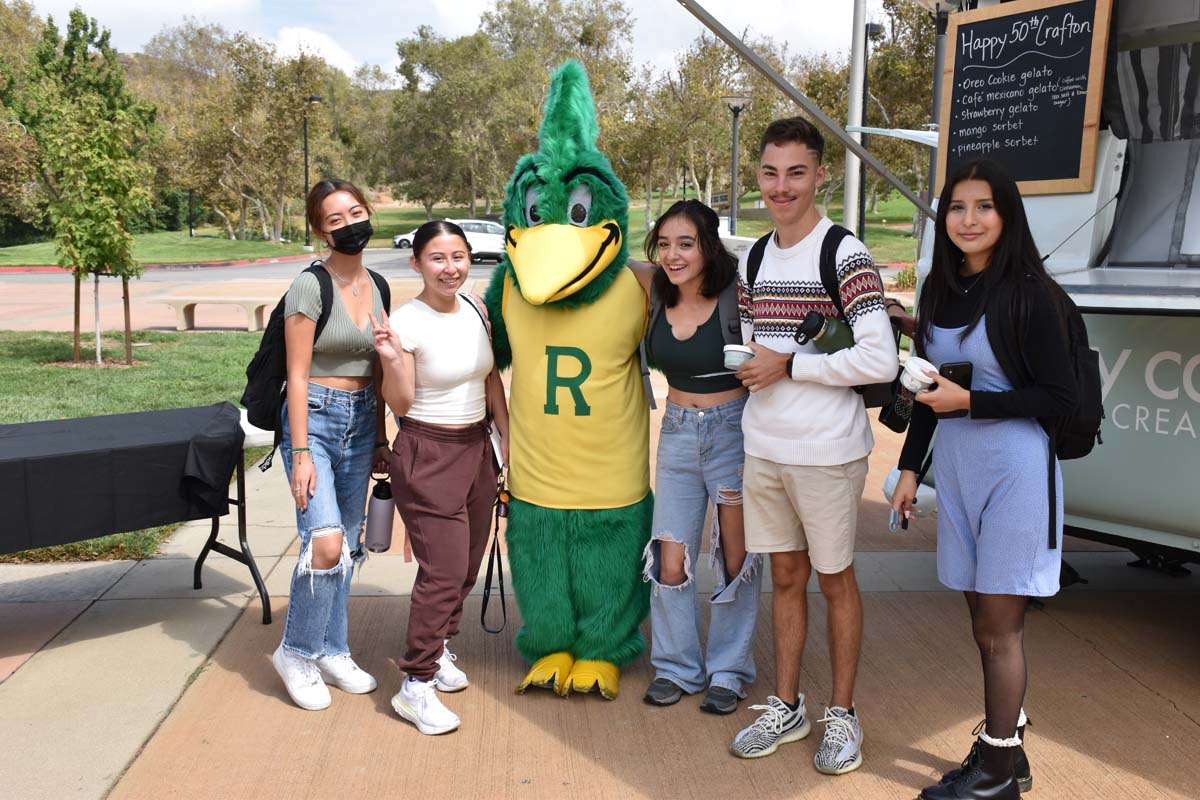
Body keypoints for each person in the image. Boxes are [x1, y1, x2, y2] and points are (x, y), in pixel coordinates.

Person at [892, 159, 1077, 800]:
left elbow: (1059, 393)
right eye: (957, 208)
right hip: (961, 474)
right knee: (980, 621)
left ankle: (998, 771)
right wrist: (910, 469)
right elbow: (927, 391)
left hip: (1018, 472)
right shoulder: (938, 291)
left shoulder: (1031, 292)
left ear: (1006, 215)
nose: (968, 221)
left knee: (1001, 629)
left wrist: (971, 405)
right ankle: (1009, 750)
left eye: (984, 207)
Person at [729, 117, 897, 773]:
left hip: (827, 451)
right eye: (770, 172)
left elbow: (880, 359)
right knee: (787, 577)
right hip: (765, 445)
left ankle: (843, 716)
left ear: (820, 174)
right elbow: (757, 347)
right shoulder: (752, 257)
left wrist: (790, 366)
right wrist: (755, 365)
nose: (781, 186)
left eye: (796, 172)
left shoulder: (845, 254)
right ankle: (787, 705)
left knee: (834, 580)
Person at [371, 220, 509, 735]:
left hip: (477, 448)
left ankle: (439, 646)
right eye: (437, 258)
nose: (450, 268)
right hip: (428, 452)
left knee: (468, 564)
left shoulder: (476, 307)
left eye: (458, 256)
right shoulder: (406, 322)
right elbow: (402, 403)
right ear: (416, 263)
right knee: (443, 572)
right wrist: (390, 360)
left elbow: (491, 376)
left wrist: (506, 441)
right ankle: (415, 684)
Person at [628, 200, 760, 715]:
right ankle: (677, 666)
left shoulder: (736, 294)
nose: (673, 255)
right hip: (679, 432)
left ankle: (729, 670)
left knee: (735, 556)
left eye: (686, 244)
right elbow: (604, 256)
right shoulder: (655, 287)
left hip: (733, 431)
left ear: (709, 244)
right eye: (663, 244)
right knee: (669, 554)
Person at [272, 178, 388, 711]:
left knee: (348, 543)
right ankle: (296, 652)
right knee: (324, 541)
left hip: (363, 420)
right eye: (335, 219)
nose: (349, 225)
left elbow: (378, 367)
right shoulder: (308, 286)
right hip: (313, 417)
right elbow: (296, 375)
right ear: (320, 229)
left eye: (356, 212)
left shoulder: (380, 285)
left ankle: (333, 650)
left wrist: (382, 434)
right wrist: (298, 453)